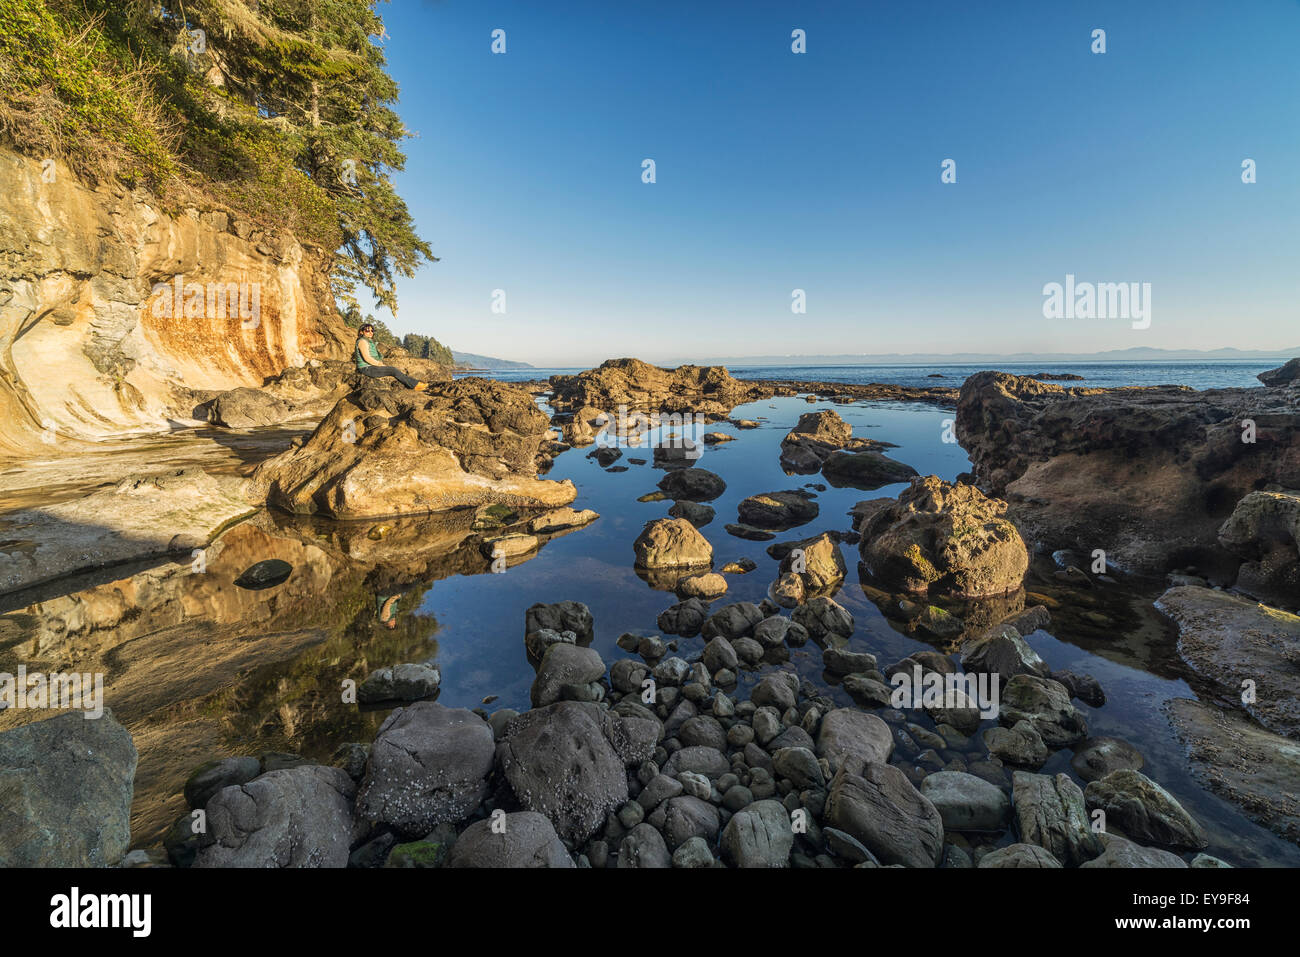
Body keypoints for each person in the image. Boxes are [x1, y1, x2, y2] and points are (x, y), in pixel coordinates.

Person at [354, 323, 428, 391]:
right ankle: (415, 385)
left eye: (372, 330)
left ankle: (414, 383)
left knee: (393, 369)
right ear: (361, 332)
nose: (371, 332)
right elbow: (367, 358)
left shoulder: (368, 341)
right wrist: (379, 364)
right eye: (367, 330)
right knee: (393, 370)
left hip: (370, 367)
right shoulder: (362, 342)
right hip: (366, 368)